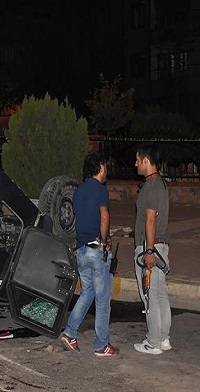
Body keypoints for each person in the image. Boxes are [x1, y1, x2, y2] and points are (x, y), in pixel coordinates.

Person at [59, 152, 119, 357]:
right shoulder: (100, 190)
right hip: (95, 249)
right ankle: (101, 344)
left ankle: (69, 333)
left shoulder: (79, 191)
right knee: (103, 300)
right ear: (100, 167)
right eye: (106, 166)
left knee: (87, 293)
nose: (107, 170)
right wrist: (105, 241)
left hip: (81, 250)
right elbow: (104, 216)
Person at [133, 143, 171, 355]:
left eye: (137, 160)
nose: (135, 164)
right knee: (160, 294)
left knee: (150, 295)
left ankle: (154, 342)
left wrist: (148, 251)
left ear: (146, 161)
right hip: (160, 245)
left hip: (151, 246)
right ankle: (163, 337)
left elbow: (150, 220)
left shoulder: (151, 186)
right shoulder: (160, 184)